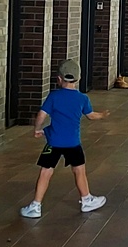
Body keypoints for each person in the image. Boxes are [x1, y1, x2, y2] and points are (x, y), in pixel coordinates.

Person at [20, 60, 107, 218]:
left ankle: (35, 206)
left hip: (53, 142)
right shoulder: (82, 98)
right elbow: (91, 116)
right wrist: (101, 115)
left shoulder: (54, 96)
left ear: (59, 79)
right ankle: (86, 199)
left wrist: (37, 129)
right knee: (79, 171)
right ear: (78, 79)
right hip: (73, 143)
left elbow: (41, 115)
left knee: (45, 172)